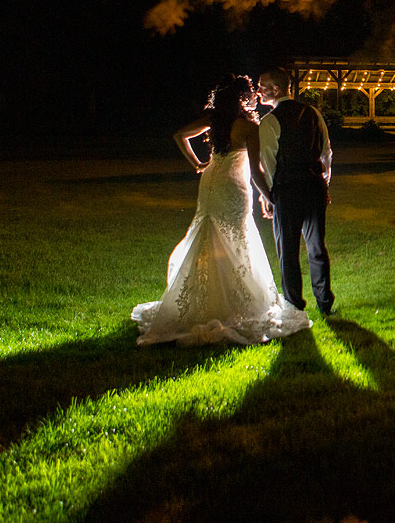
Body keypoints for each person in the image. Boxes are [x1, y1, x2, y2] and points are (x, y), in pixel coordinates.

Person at [132, 75, 312, 345]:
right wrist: (269, 197)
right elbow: (256, 170)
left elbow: (179, 135)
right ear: (244, 98)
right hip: (233, 185)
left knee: (208, 231)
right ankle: (230, 302)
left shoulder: (214, 120)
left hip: (211, 179)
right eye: (251, 93)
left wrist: (199, 163)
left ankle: (202, 300)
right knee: (236, 234)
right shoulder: (249, 126)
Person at [255, 67, 335, 316]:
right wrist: (324, 182)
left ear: (276, 89)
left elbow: (269, 163)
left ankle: (293, 305)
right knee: (316, 247)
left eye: (262, 85)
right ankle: (324, 302)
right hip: (314, 188)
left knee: (287, 251)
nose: (258, 91)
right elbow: (326, 152)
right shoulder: (313, 113)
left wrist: (269, 195)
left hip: (287, 190)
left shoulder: (269, 121)